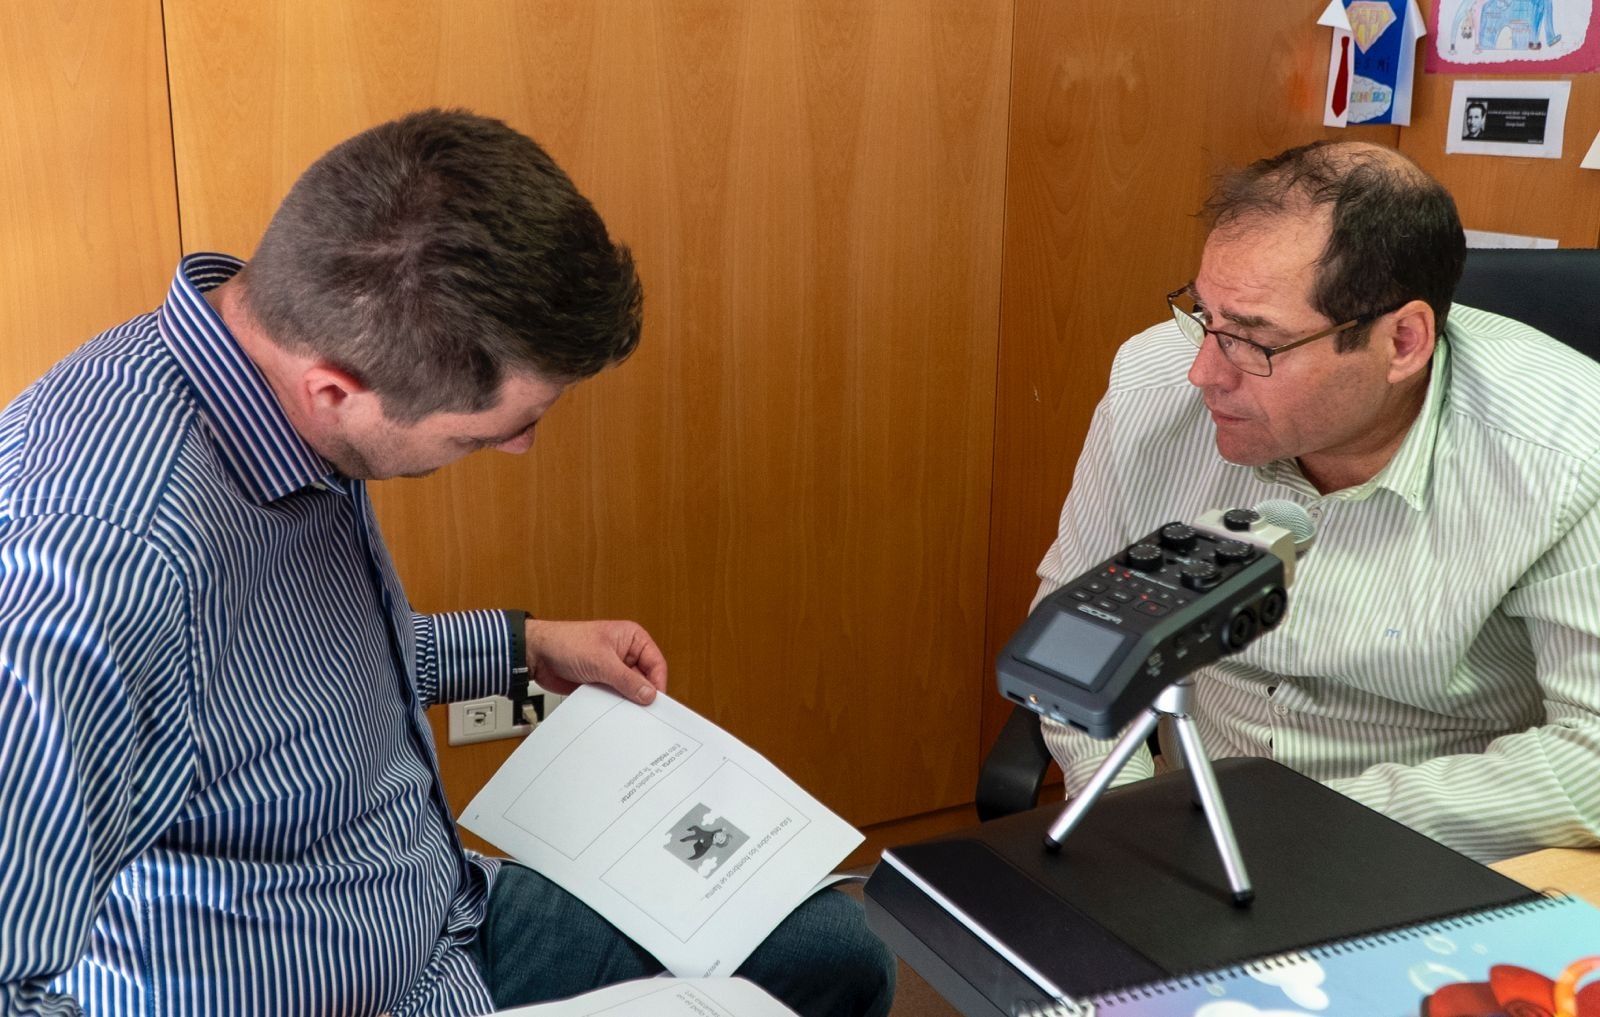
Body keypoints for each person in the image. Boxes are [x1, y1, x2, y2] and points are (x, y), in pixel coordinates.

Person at [0, 109, 894, 1017]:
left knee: (839, 956)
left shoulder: (278, 382)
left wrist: (522, 644)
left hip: (442, 920)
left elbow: (272, 684)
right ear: (336, 390)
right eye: (492, 431)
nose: (519, 449)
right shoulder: (95, 569)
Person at [1031, 140, 1600, 864]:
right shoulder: (1154, 386)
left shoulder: (1571, 450)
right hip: (1186, 834)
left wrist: (1294, 827)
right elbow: (1076, 619)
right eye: (1203, 314)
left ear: (1403, 341)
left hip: (1432, 855)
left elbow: (1592, 758)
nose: (1203, 371)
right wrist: (1120, 810)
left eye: (1253, 341)